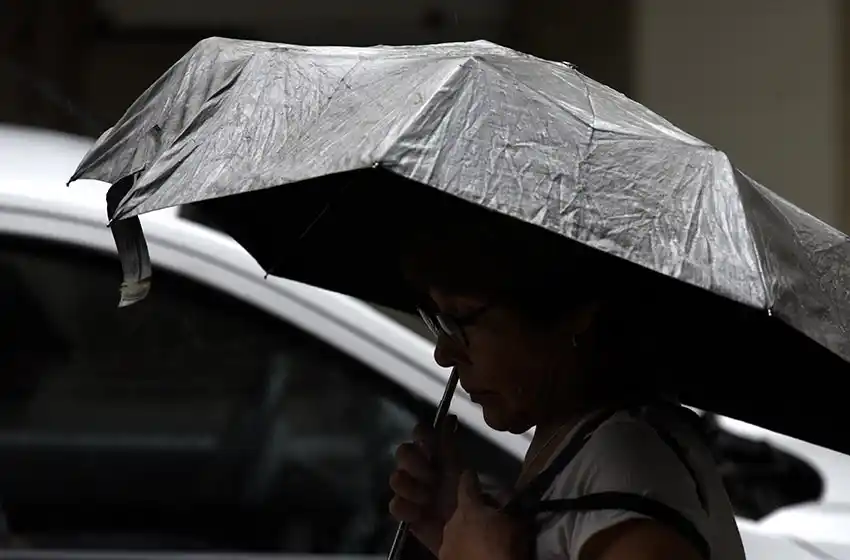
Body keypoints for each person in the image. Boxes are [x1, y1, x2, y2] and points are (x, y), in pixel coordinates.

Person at [387, 200, 746, 560]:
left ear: (570, 313)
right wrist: (455, 528)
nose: (443, 352)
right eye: (436, 318)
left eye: (461, 318)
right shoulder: (570, 436)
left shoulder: (629, 468)